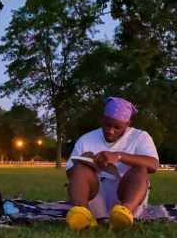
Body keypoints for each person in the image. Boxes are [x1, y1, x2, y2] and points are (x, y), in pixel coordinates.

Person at [64, 97, 159, 230]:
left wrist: (119, 156)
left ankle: (123, 216)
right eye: (107, 125)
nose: (110, 131)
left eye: (117, 127)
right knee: (79, 168)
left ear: (127, 123)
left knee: (140, 170)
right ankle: (82, 214)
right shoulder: (86, 139)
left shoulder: (140, 136)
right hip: (95, 195)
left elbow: (153, 165)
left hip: (127, 196)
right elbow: (70, 173)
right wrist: (84, 162)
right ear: (102, 120)